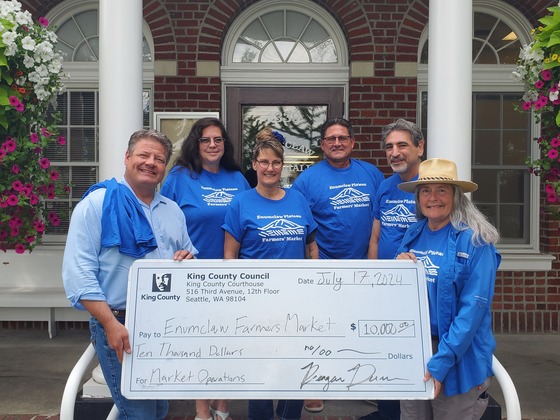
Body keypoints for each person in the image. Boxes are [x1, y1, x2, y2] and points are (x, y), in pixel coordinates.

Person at [62, 129, 198, 420]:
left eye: (159, 159)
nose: (151, 163)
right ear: (127, 157)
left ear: (165, 167)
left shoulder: (173, 210)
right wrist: (111, 324)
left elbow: (188, 255)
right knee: (139, 412)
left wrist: (187, 259)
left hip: (165, 324)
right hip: (120, 324)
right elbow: (79, 275)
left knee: (158, 408)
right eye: (143, 155)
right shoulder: (96, 206)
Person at [222, 128, 319, 420]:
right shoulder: (240, 203)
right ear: (254, 165)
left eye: (276, 163)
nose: (270, 168)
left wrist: (314, 286)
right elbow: (229, 255)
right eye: (263, 162)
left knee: (295, 365)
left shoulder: (298, 200)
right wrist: (237, 296)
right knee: (261, 369)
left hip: (296, 301)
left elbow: (312, 248)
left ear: (283, 165)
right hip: (257, 303)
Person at [291, 117, 384, 413]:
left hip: (364, 266)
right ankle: (315, 385)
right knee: (320, 331)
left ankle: (367, 382)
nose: (337, 143)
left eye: (343, 138)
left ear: (353, 143)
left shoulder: (372, 174)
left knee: (363, 328)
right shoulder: (307, 180)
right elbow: (302, 227)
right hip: (325, 267)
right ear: (322, 145)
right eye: (330, 138)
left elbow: (379, 220)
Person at [395, 158, 500, 420]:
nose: (433, 197)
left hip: (458, 353)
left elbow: (472, 311)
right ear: (418, 197)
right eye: (426, 191)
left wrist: (441, 362)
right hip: (415, 350)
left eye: (442, 190)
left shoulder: (476, 241)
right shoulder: (414, 233)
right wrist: (399, 267)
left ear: (456, 195)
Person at [160, 117, 249, 420]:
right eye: (206, 140)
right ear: (195, 144)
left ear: (226, 144)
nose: (213, 145)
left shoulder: (237, 179)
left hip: (233, 272)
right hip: (193, 273)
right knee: (199, 341)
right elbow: (162, 219)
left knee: (231, 337)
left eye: (218, 140)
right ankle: (201, 408)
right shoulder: (180, 177)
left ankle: (223, 400)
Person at [359, 119, 425, 420]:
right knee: (387, 350)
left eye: (402, 145)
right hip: (385, 286)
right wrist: (372, 280)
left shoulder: (432, 187)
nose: (394, 153)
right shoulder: (385, 187)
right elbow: (375, 236)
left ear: (419, 147)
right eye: (389, 147)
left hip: (419, 287)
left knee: (415, 352)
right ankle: (388, 411)